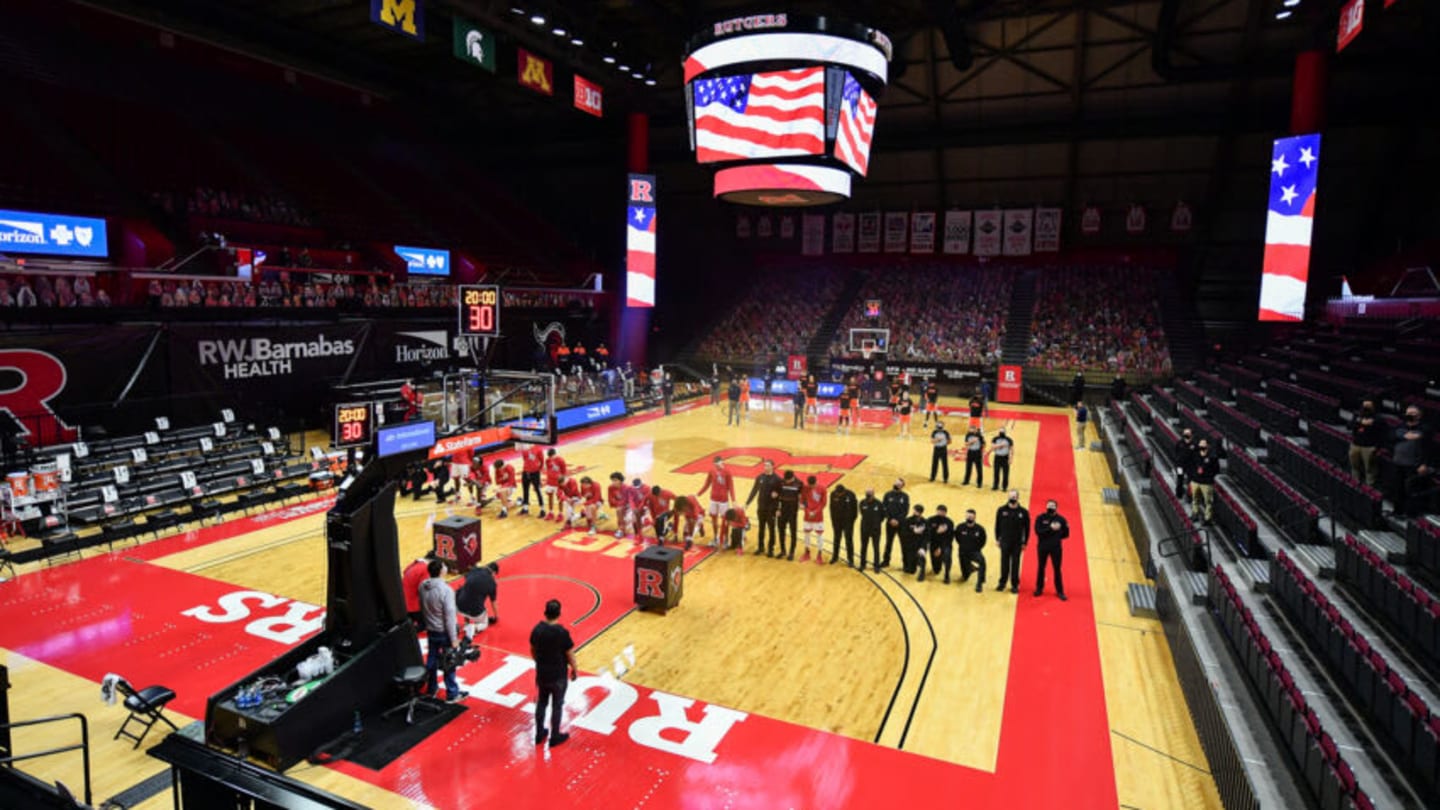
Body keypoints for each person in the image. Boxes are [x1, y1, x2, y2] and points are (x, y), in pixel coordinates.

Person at [530, 599, 577, 747]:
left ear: (545, 613)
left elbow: (532, 649)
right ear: (559, 613)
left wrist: (539, 661)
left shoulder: (537, 629)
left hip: (542, 672)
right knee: (557, 705)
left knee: (542, 702)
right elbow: (569, 654)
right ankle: (554, 735)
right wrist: (575, 668)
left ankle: (539, 733)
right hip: (558, 674)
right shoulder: (562, 632)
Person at [420, 560, 465, 702]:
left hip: (431, 630)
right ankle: (452, 693)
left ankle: (431, 688)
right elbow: (450, 617)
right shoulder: (446, 590)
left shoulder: (423, 586)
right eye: (444, 566)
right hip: (444, 632)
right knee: (449, 662)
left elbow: (422, 607)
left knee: (432, 660)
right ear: (441, 571)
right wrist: (454, 639)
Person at [1390, 405, 1430, 516]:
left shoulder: (1424, 428)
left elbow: (1428, 447)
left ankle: (1410, 514)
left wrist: (1424, 463)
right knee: (1398, 489)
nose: (1409, 416)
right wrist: (1404, 435)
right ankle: (1397, 511)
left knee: (1411, 490)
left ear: (1419, 416)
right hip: (1398, 462)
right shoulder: (1400, 425)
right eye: (1408, 413)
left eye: (1413, 413)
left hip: (1413, 464)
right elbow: (1391, 436)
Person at [1033, 499, 1069, 601]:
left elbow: (1066, 534)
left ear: (1056, 508)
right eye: (1049, 505)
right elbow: (1038, 531)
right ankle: (1039, 588)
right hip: (1042, 547)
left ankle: (1060, 591)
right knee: (1041, 567)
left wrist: (1056, 536)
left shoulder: (1062, 520)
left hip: (1056, 548)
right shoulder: (1040, 518)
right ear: (1046, 507)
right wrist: (1051, 529)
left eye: (1053, 506)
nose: (1051, 507)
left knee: (1057, 569)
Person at [994, 491, 1029, 593]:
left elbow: (1027, 529)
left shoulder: (1023, 512)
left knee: (1015, 563)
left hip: (1017, 543)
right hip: (1005, 541)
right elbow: (997, 525)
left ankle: (1014, 585)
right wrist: (997, 538)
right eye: (1011, 496)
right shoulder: (1001, 510)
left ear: (1018, 497)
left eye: (1014, 496)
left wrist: (1025, 542)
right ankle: (1002, 583)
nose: (1012, 498)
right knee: (1004, 563)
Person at [697, 456, 737, 540]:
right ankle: (715, 537)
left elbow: (731, 487)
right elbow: (707, 484)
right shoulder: (712, 471)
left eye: (718, 465)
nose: (717, 467)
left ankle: (726, 538)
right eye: (715, 465)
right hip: (713, 499)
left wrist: (733, 500)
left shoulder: (727, 472)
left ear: (722, 463)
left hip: (723, 501)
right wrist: (698, 494)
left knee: (725, 520)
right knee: (713, 519)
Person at [746, 459, 781, 555]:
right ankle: (761, 547)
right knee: (761, 527)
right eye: (764, 465)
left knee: (771, 528)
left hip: (772, 508)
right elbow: (754, 490)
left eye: (767, 465)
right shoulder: (760, 477)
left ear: (772, 467)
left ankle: (771, 549)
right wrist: (748, 502)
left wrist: (779, 507)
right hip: (761, 507)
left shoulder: (777, 479)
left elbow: (781, 494)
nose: (765, 467)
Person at [1348, 400, 1381, 487]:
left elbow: (1382, 434)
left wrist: (1377, 447)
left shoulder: (1378, 419)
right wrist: (1359, 422)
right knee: (1354, 466)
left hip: (1369, 447)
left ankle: (1370, 487)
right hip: (1355, 445)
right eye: (1364, 406)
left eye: (1368, 406)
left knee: (1370, 469)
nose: (1366, 408)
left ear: (1373, 407)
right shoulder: (1357, 415)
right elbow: (1349, 426)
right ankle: (1355, 484)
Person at [456, 561, 500, 627]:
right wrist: (496, 616)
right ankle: (473, 628)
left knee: (466, 591)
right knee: (485, 623)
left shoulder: (475, 570)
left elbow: (467, 580)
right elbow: (493, 602)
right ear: (494, 572)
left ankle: (466, 622)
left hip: (459, 606)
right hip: (474, 612)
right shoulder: (492, 583)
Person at [955, 509, 987, 593]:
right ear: (965, 516)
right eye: (968, 516)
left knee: (982, 561)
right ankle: (971, 568)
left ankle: (980, 583)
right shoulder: (960, 527)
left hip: (975, 552)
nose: (969, 517)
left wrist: (976, 549)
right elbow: (957, 538)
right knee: (965, 577)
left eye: (971, 516)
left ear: (975, 517)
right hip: (963, 552)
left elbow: (983, 541)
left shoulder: (980, 529)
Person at [1188, 440, 1219, 523]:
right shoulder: (1195, 455)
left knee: (1208, 502)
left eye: (1203, 445)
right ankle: (1195, 514)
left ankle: (1207, 518)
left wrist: (1207, 474)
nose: (1201, 447)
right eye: (1200, 445)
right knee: (1195, 499)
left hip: (1207, 483)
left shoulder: (1212, 457)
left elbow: (1216, 470)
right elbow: (1191, 465)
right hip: (1195, 481)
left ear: (1207, 446)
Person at [800, 475, 828, 564]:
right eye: (810, 485)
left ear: (817, 481)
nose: (812, 487)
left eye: (813, 485)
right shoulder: (805, 488)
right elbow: (802, 500)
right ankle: (807, 552)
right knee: (806, 534)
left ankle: (819, 554)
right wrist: (807, 511)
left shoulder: (823, 488)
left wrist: (815, 512)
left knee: (819, 535)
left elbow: (823, 503)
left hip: (818, 516)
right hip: (807, 516)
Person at [882, 478, 909, 568]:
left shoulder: (905, 496)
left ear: (902, 486)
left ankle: (905, 563)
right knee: (888, 542)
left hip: (901, 524)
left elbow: (905, 511)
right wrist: (890, 519)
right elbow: (884, 508)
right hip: (889, 523)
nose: (896, 484)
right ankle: (886, 561)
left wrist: (898, 520)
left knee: (903, 543)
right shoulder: (887, 495)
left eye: (899, 484)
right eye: (896, 482)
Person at [925, 505, 955, 584]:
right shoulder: (930, 520)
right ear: (936, 511)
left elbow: (950, 538)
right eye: (939, 511)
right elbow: (928, 535)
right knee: (936, 570)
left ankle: (947, 575)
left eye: (942, 512)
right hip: (934, 544)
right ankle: (938, 564)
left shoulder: (949, 522)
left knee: (947, 555)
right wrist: (937, 532)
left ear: (945, 513)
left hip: (945, 545)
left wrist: (941, 549)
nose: (940, 513)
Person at [828, 483, 857, 566]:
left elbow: (855, 510)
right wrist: (833, 521)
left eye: (839, 493)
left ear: (843, 492)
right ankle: (835, 557)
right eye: (837, 493)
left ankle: (850, 559)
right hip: (837, 522)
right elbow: (831, 509)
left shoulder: (851, 495)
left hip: (848, 522)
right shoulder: (833, 494)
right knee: (836, 539)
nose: (837, 494)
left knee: (849, 540)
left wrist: (851, 522)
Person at [402, 554, 434, 629]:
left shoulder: (414, 563)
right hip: (414, 605)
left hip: (403, 601)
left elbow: (404, 571)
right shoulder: (426, 569)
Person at [776, 470, 802, 559]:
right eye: (785, 480)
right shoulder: (781, 482)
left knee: (793, 532)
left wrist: (801, 504)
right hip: (782, 510)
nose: (786, 482)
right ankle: (783, 551)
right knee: (781, 531)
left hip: (793, 511)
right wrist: (778, 509)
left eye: (788, 480)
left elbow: (802, 496)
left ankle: (791, 552)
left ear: (793, 478)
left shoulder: (799, 483)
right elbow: (778, 496)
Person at [858, 488, 884, 571]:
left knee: (876, 548)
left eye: (869, 496)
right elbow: (862, 513)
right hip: (865, 528)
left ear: (873, 494)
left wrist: (876, 523)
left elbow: (882, 516)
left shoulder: (879, 504)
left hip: (875, 529)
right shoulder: (862, 502)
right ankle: (862, 564)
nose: (868, 498)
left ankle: (876, 565)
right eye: (867, 495)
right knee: (863, 547)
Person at [901, 504, 929, 578]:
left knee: (921, 555)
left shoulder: (925, 522)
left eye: (916, 511)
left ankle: (922, 572)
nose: (914, 512)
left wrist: (923, 547)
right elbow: (904, 533)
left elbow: (926, 536)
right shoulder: (908, 520)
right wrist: (913, 532)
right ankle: (913, 563)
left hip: (920, 544)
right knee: (911, 571)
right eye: (914, 510)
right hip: (911, 545)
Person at [543, 448, 568, 521]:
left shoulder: (561, 460)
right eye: (549, 456)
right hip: (550, 482)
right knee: (550, 497)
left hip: (558, 483)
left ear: (555, 454)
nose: (551, 458)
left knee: (560, 499)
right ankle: (551, 512)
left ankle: (560, 514)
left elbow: (564, 473)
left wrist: (562, 484)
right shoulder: (547, 460)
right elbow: (548, 469)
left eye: (552, 456)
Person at [520, 444, 544, 516]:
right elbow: (525, 459)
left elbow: (542, 461)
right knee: (525, 490)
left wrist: (537, 470)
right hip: (525, 472)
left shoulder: (538, 448)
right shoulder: (524, 449)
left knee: (537, 490)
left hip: (535, 473)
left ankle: (542, 509)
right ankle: (525, 508)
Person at [1174, 429, 1196, 499]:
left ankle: (1190, 496)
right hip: (1180, 465)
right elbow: (1176, 452)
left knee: (1191, 481)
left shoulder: (1194, 444)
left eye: (1188, 434)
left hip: (1190, 466)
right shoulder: (1179, 443)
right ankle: (1179, 494)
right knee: (1180, 479)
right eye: (1185, 434)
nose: (1186, 435)